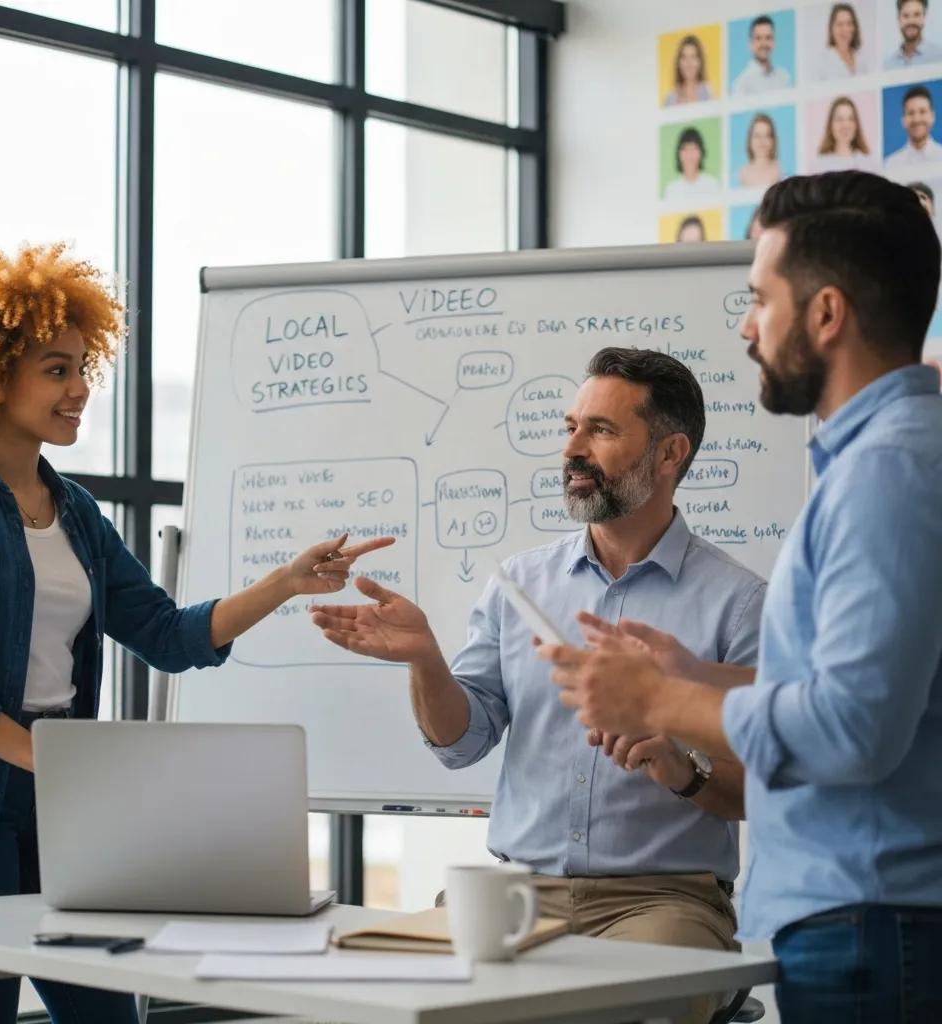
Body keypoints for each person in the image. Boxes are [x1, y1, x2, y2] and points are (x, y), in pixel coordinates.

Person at [0, 243, 394, 1024]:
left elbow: (167, 634)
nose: (80, 390)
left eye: (81, 368)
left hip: (63, 803)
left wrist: (285, 582)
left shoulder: (76, 512)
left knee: (108, 1014)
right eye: (56, 370)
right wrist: (62, 765)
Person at [539, 171, 942, 1022]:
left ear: (827, 314)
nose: (747, 326)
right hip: (859, 921)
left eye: (760, 298)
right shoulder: (875, 465)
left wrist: (664, 698)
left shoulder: (889, 474)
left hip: (875, 922)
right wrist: (699, 677)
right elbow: (840, 693)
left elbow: (854, 731)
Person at [311, 348, 767, 1024]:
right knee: (391, 999)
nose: (574, 449)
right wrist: (426, 662)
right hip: (514, 894)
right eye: (571, 426)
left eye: (602, 431)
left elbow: (757, 792)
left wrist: (682, 769)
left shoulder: (738, 602)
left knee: (636, 1012)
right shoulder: (518, 583)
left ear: (670, 454)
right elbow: (461, 742)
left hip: (664, 901)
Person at [883, 84, 942, 174]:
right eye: (911, 113)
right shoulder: (891, 165)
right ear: (903, 120)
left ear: (932, 116)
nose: (916, 119)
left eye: (922, 111)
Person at [811, 96, 876, 172]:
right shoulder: (819, 166)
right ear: (830, 125)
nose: (845, 125)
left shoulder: (869, 164)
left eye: (850, 119)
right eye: (839, 119)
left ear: (856, 125)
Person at [732, 15, 792, 95]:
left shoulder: (784, 77)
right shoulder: (741, 84)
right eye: (758, 38)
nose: (764, 44)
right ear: (750, 44)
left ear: (774, 41)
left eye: (768, 38)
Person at [816, 3, 871, 79]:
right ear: (832, 28)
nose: (845, 29)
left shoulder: (860, 56)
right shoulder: (823, 62)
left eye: (849, 23)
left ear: (854, 27)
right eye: (840, 24)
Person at [665, 126, 720, 200]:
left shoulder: (712, 184)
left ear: (701, 152)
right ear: (679, 154)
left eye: (694, 149)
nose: (690, 154)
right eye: (686, 149)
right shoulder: (672, 190)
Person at [884, 0, 942, 68]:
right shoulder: (888, 64)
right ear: (898, 19)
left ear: (924, 17)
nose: (911, 21)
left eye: (916, 14)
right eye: (906, 15)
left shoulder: (939, 57)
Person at [663, 35, 713, 107]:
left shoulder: (708, 93)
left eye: (693, 57)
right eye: (684, 57)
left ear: (700, 62)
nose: (689, 63)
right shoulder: (670, 98)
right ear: (679, 62)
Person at [738, 112, 782, 188]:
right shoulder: (743, 172)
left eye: (767, 135)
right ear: (750, 140)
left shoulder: (779, 169)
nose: (762, 142)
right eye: (757, 136)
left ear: (773, 140)